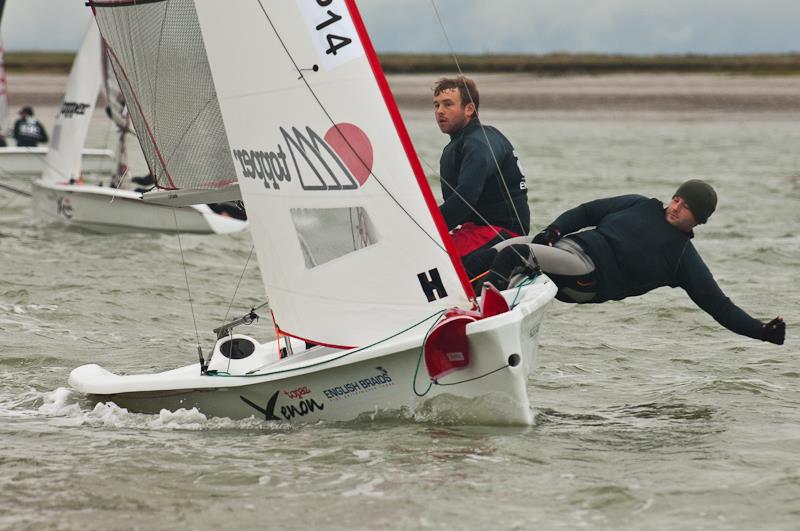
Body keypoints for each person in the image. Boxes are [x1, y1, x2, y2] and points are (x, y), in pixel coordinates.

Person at [466, 179, 785, 345]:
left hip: (587, 277)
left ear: (698, 220)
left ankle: (479, 321)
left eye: (686, 207)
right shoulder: (640, 204)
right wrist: (554, 230)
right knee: (500, 248)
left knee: (515, 255)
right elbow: (588, 211)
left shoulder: (682, 260)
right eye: (677, 199)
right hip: (565, 248)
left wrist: (761, 331)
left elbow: (721, 306)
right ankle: (454, 299)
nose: (676, 207)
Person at [433, 76, 529, 258]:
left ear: (469, 109)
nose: (440, 111)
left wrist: (428, 226)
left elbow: (465, 197)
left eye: (447, 104)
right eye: (436, 105)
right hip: (474, 229)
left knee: (437, 258)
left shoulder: (479, 143)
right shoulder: (460, 144)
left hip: (502, 232)